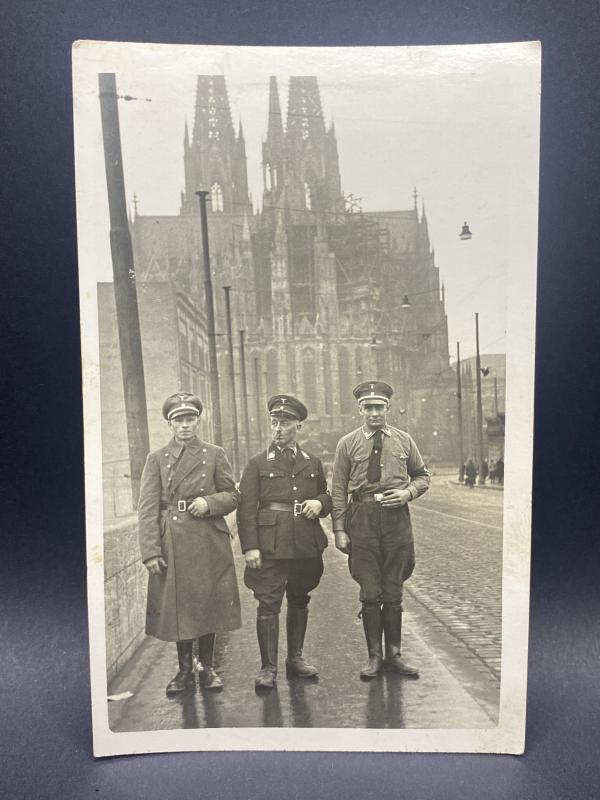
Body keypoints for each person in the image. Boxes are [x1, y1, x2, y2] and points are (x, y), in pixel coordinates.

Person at [138, 392, 242, 695]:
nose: (185, 425)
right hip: (172, 540)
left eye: (190, 419)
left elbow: (233, 494)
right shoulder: (156, 459)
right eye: (178, 420)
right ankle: (184, 670)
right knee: (179, 606)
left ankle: (207, 668)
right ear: (170, 424)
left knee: (207, 602)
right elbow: (147, 508)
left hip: (207, 538)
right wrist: (150, 551)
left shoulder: (214, 453)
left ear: (198, 420)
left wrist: (208, 503)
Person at [331, 381, 430, 680]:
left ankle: (395, 655)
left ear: (388, 408)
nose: (374, 413)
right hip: (362, 517)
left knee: (394, 588)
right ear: (360, 409)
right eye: (368, 407)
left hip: (396, 518)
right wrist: (339, 529)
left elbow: (422, 476)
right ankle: (374, 657)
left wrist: (407, 494)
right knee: (370, 590)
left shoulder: (404, 440)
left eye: (379, 407)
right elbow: (337, 490)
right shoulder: (347, 444)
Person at [237, 394, 332, 691]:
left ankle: (295, 658)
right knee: (268, 602)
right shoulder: (256, 464)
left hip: (305, 542)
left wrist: (319, 503)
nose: (278, 428)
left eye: (285, 422)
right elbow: (246, 508)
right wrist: (250, 546)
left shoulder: (312, 462)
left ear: (299, 426)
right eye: (274, 422)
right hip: (270, 544)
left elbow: (326, 495)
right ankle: (268, 667)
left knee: (300, 597)